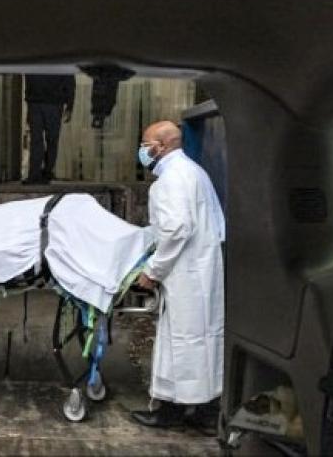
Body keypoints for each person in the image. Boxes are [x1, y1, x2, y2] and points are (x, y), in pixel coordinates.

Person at [131, 120, 225, 432]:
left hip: (184, 271)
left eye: (145, 145)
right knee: (201, 340)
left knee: (182, 341)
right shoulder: (195, 172)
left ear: (161, 146)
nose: (142, 151)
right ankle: (199, 412)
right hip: (202, 267)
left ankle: (176, 413)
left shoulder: (170, 180)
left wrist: (153, 271)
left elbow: (176, 229)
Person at [23, 74, 75, 184]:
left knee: (36, 140)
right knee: (51, 140)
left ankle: (35, 174)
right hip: (53, 101)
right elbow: (69, 80)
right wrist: (70, 105)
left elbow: (29, 76)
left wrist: (29, 98)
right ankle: (46, 172)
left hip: (36, 101)